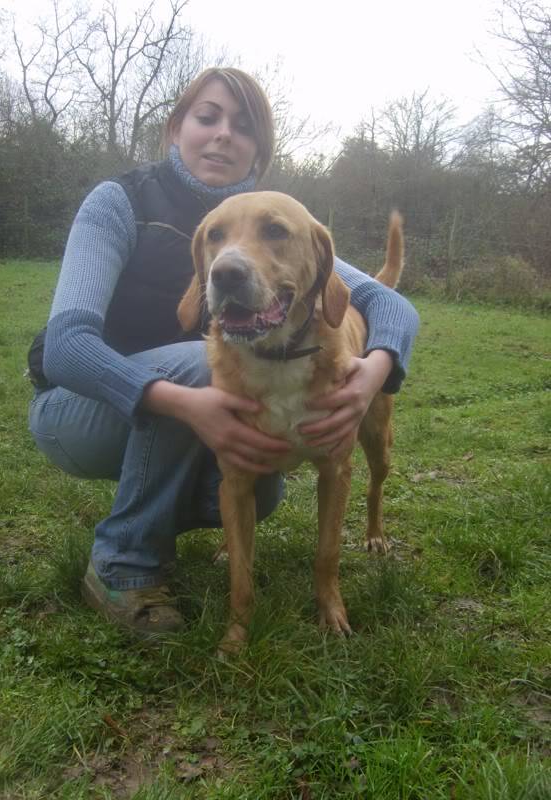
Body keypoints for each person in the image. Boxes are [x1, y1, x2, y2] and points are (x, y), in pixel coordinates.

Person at [28, 67, 419, 642]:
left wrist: (372, 375)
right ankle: (122, 560)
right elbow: (65, 347)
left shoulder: (279, 216)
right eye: (206, 117)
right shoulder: (118, 202)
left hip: (200, 403)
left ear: (259, 150)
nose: (221, 135)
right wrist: (185, 404)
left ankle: (166, 513)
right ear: (175, 128)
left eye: (242, 126)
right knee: (199, 361)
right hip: (78, 408)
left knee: (261, 489)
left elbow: (393, 308)